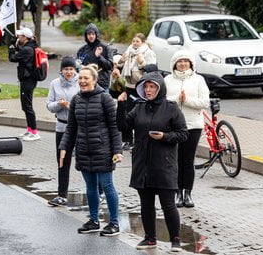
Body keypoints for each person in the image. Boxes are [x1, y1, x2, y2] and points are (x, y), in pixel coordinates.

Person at [117, 72, 188, 252]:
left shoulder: (171, 108)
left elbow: (183, 133)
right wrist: (121, 106)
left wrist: (164, 136)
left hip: (164, 163)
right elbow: (123, 127)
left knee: (168, 204)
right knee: (146, 204)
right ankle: (150, 238)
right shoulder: (139, 107)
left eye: (152, 87)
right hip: (142, 162)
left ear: (160, 88)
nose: (148, 91)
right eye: (146, 87)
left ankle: (175, 240)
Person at [59, 64, 123, 236]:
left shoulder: (105, 99)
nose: (82, 81)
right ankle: (94, 221)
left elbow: (114, 127)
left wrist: (118, 151)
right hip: (83, 150)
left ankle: (114, 223)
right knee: (90, 187)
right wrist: (64, 147)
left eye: (86, 78)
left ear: (94, 80)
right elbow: (71, 128)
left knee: (107, 186)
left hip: (103, 150)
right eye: (80, 78)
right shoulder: (76, 100)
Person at [164, 50, 210, 208]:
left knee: (188, 161)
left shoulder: (199, 80)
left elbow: (205, 102)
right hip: (173, 127)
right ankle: (177, 193)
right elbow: (162, 101)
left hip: (193, 125)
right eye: (179, 61)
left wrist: (187, 100)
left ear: (191, 63)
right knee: (175, 160)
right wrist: (177, 99)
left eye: (186, 61)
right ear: (174, 64)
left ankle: (188, 193)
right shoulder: (167, 80)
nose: (183, 64)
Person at [46, 56, 79, 206]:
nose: (69, 72)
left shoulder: (81, 83)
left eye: (71, 69)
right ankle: (62, 195)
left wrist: (69, 106)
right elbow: (49, 105)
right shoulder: (55, 84)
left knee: (86, 161)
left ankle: (99, 192)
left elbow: (83, 107)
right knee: (62, 161)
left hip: (78, 127)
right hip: (61, 126)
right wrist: (59, 104)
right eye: (66, 69)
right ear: (61, 70)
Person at [116, 33, 156, 150]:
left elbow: (153, 70)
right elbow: (119, 66)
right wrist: (121, 61)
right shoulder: (129, 51)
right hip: (129, 86)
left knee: (141, 114)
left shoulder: (148, 52)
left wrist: (141, 62)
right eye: (133, 41)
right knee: (128, 114)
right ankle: (127, 140)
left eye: (137, 41)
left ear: (143, 42)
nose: (134, 43)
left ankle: (141, 140)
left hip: (142, 87)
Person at [8, 27, 40, 141]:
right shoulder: (30, 47)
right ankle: (29, 130)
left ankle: (35, 132)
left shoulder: (28, 49)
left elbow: (13, 58)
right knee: (25, 106)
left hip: (28, 80)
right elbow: (21, 53)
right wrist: (16, 45)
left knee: (27, 106)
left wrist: (11, 48)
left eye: (20, 36)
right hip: (27, 80)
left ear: (25, 37)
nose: (18, 38)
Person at [76, 23, 114, 90]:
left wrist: (99, 57)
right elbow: (77, 66)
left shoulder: (105, 47)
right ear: (86, 36)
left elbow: (110, 66)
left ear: (96, 35)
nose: (91, 36)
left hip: (102, 84)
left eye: (93, 34)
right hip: (86, 84)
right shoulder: (82, 50)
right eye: (89, 34)